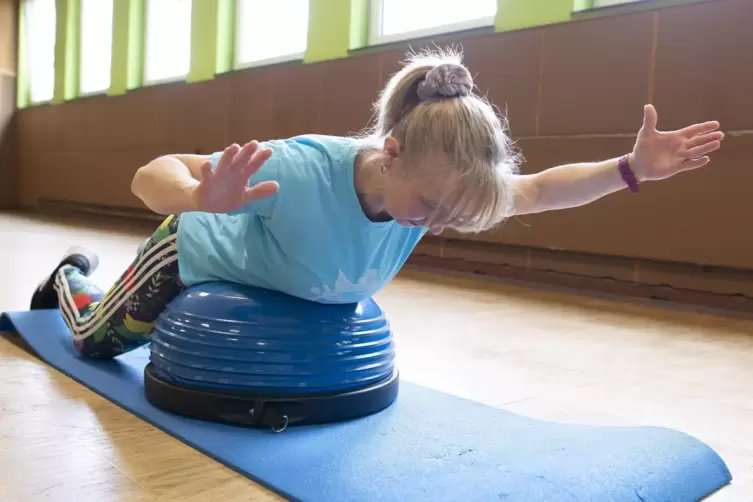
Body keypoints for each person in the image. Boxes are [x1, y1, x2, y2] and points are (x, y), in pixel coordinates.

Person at [30, 48, 724, 360]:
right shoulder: (300, 169)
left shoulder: (443, 184)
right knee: (97, 344)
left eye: (452, 213)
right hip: (194, 258)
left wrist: (631, 169)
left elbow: (539, 189)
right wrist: (196, 197)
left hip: (290, 295)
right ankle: (69, 278)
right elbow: (151, 174)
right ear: (391, 152)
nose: (438, 223)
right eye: (430, 204)